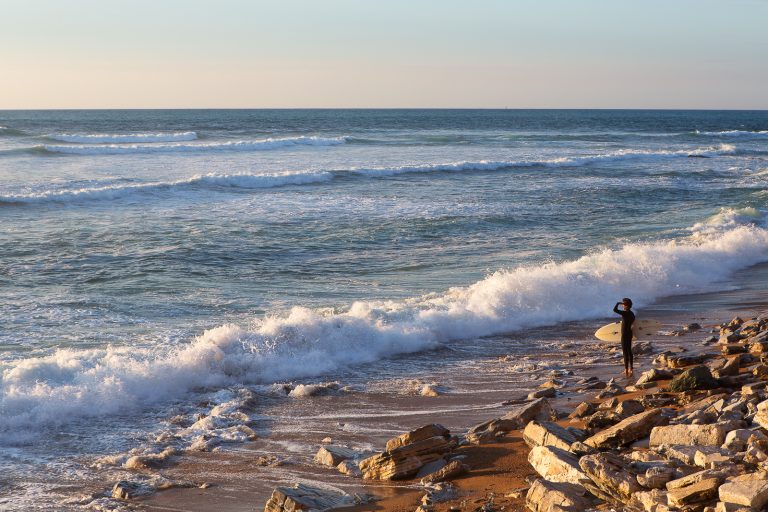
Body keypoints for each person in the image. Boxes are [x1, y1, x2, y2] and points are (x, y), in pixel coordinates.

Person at [613, 298, 635, 377]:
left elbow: (614, 310)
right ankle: (631, 369)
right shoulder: (632, 314)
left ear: (626, 305)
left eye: (623, 304)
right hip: (629, 333)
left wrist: (617, 303)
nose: (622, 306)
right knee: (629, 351)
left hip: (624, 334)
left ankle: (626, 369)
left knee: (625, 352)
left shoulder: (625, 313)